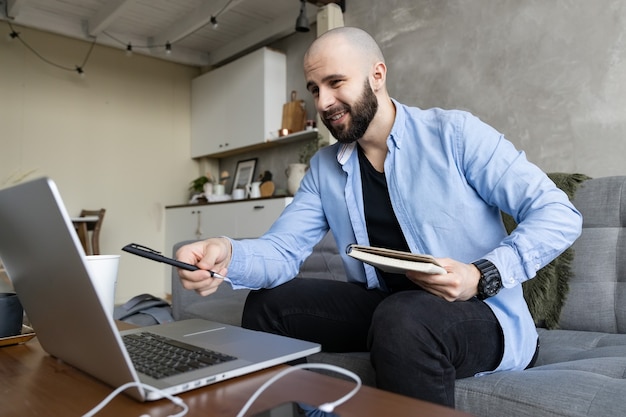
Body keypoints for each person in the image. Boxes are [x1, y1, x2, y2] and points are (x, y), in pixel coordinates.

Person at [176, 27, 582, 407]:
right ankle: (306, 410)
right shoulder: (324, 168)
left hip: (481, 314)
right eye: (315, 89)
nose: (323, 103)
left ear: (377, 74)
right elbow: (282, 251)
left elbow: (557, 212)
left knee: (403, 317)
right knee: (270, 305)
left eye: (336, 83)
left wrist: (481, 274)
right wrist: (226, 253)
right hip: (388, 307)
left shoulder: (455, 134)